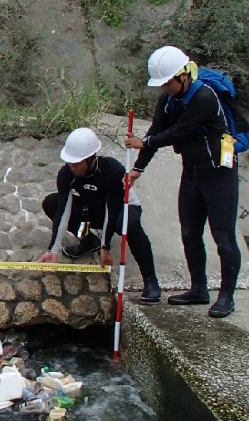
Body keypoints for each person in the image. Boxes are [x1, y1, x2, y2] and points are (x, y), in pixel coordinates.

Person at [125, 45, 240, 318]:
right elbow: (157, 130)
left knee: (223, 237)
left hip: (219, 174)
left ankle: (227, 296)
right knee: (189, 233)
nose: (164, 88)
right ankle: (199, 289)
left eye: (167, 83)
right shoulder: (168, 100)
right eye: (161, 84)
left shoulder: (204, 96)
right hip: (193, 172)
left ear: (183, 75)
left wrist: (147, 141)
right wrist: (138, 167)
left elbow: (178, 132)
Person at [39, 127, 161, 303]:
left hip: (121, 207)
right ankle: (88, 240)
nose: (72, 166)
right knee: (51, 202)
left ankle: (150, 280)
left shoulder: (112, 170)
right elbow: (63, 210)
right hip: (93, 207)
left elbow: (111, 209)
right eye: (69, 162)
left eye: (76, 163)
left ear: (91, 158)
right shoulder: (67, 173)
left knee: (129, 225)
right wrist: (53, 249)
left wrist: (106, 248)